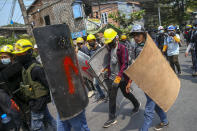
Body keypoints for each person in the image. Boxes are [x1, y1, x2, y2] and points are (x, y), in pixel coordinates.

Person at [126, 24, 169, 131]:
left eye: (138, 35)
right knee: (154, 103)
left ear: (144, 35)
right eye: (134, 35)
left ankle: (144, 129)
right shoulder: (135, 47)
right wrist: (129, 82)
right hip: (144, 81)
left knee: (149, 109)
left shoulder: (151, 46)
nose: (136, 37)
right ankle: (164, 120)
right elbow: (133, 66)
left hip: (154, 81)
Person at [12, 39, 56, 131]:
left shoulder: (35, 69)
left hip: (38, 103)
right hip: (34, 102)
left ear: (29, 52)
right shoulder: (25, 67)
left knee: (36, 127)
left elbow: (48, 84)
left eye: (20, 54)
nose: (18, 57)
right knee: (48, 121)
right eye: (17, 55)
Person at [102, 28, 140, 128]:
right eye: (108, 42)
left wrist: (118, 78)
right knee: (112, 98)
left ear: (115, 39)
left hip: (121, 78)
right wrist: (106, 70)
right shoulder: (109, 49)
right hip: (111, 78)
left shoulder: (122, 48)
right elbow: (110, 62)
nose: (109, 44)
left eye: (110, 41)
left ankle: (136, 104)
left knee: (126, 94)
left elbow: (125, 64)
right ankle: (112, 118)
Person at [0, 45, 21, 130]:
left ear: (12, 57)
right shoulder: (2, 69)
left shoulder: (17, 67)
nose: (2, 59)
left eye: (5, 57)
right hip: (6, 102)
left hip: (18, 100)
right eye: (1, 57)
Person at [86, 34, 105, 101]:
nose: (90, 43)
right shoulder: (90, 51)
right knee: (95, 84)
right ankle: (102, 95)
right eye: (89, 41)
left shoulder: (99, 48)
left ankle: (110, 94)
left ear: (94, 40)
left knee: (106, 82)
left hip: (102, 68)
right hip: (95, 69)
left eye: (91, 41)